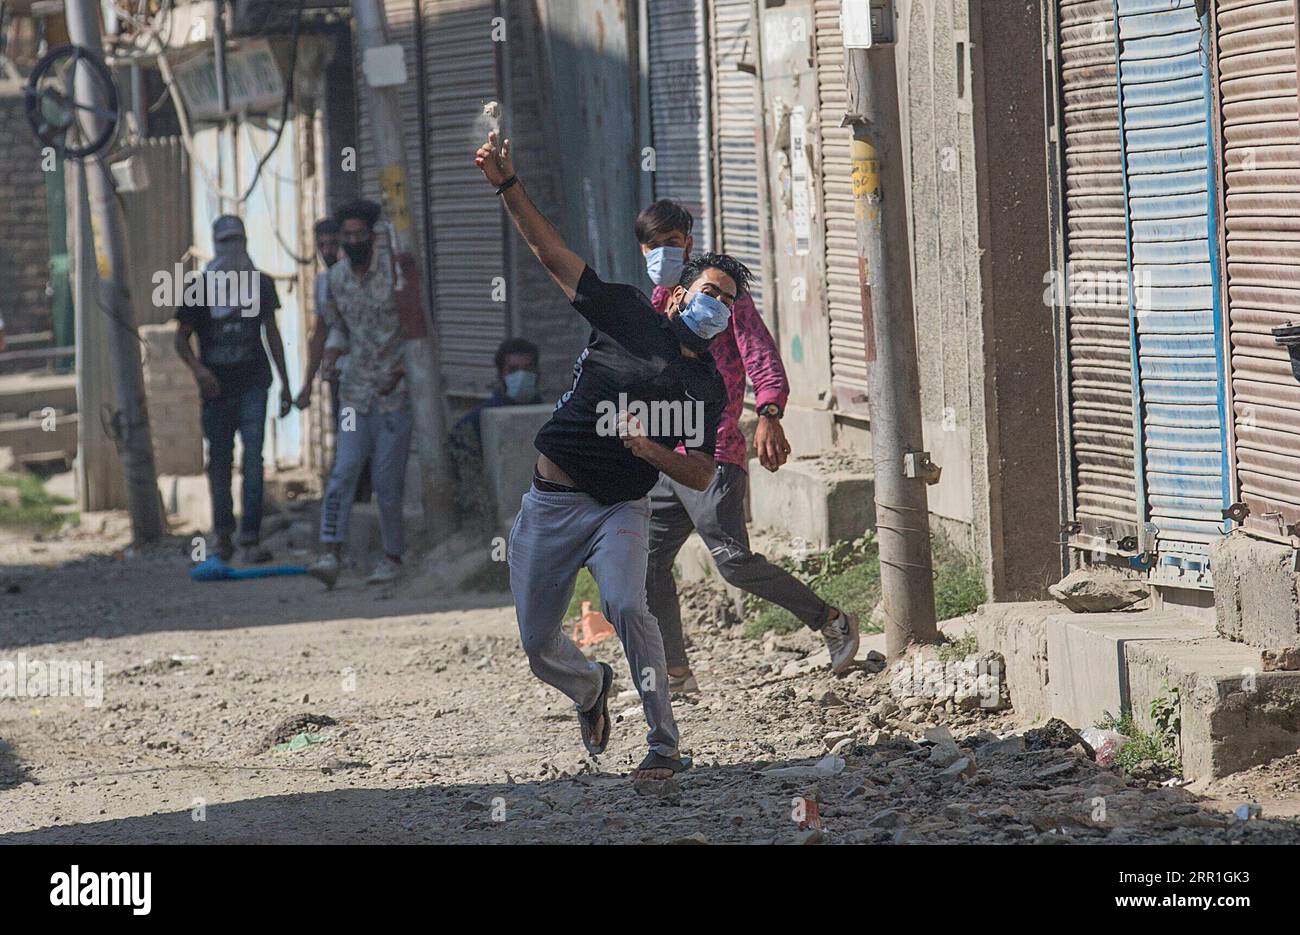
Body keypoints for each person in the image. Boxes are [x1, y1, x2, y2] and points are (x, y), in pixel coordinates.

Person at [475, 131, 732, 781]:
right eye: (707, 287)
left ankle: (664, 740)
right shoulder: (622, 311)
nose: (712, 302)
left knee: (624, 601)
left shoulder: (705, 383)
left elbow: (702, 471)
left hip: (621, 505)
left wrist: (648, 448)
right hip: (552, 500)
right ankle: (591, 688)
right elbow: (550, 253)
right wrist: (509, 185)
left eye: (726, 298)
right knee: (538, 647)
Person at [637, 199, 861, 688]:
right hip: (665, 456)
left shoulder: (719, 296)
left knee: (733, 563)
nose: (665, 254)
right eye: (655, 246)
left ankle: (831, 620)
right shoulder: (655, 306)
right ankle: (675, 671)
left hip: (714, 451)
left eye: (673, 244)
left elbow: (760, 354)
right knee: (648, 564)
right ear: (643, 251)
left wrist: (769, 414)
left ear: (688, 243)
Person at [305, 199, 413, 588]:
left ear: (372, 236)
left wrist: (401, 372)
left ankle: (392, 556)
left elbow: (416, 332)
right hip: (354, 393)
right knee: (343, 471)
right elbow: (337, 329)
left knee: (387, 480)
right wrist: (330, 357)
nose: (351, 241)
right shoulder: (334, 280)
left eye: (358, 235)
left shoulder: (396, 274)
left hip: (394, 393)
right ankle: (330, 553)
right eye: (345, 235)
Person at [174, 214, 291, 564]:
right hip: (216, 390)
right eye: (225, 242)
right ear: (215, 244)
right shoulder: (199, 288)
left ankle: (251, 538)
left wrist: (286, 382)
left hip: (254, 382)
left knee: (253, 459)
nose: (232, 248)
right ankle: (223, 536)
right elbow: (180, 339)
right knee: (220, 460)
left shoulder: (261, 285)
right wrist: (199, 371)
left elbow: (272, 333)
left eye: (236, 240)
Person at [296, 217, 372, 503]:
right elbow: (321, 332)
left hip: (375, 372)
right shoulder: (324, 283)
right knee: (348, 434)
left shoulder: (364, 277)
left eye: (333, 244)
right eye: (322, 245)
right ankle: (356, 496)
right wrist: (308, 383)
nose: (327, 251)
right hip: (342, 374)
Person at [448, 338, 543, 519]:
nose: (521, 376)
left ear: (537, 372)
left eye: (527, 369)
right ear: (501, 375)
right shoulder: (478, 419)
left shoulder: (552, 416)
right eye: (513, 370)